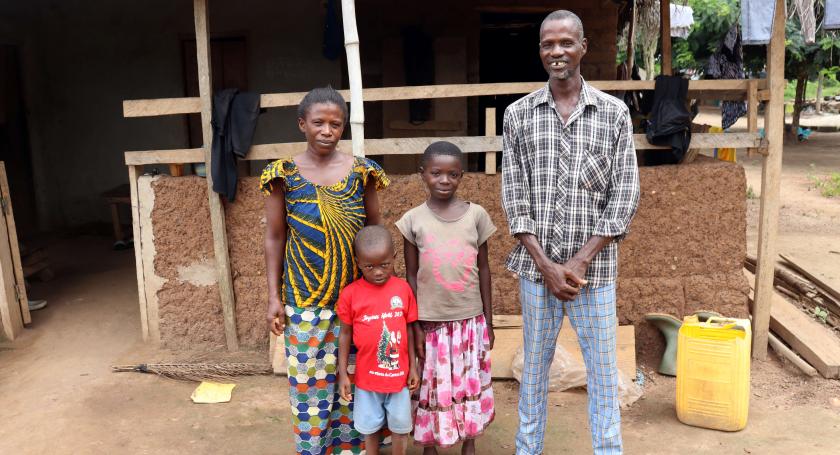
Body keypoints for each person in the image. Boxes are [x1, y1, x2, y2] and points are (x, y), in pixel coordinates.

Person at [500, 10, 640, 455]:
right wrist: (546, 266)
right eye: (547, 44)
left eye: (565, 43)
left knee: (602, 376)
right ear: (540, 51)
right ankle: (528, 449)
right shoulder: (519, 115)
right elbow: (514, 195)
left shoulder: (614, 113)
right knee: (535, 375)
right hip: (536, 271)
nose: (556, 52)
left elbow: (625, 194)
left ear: (583, 48)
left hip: (593, 276)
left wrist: (578, 261)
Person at [261, 86, 390, 455]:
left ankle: (360, 450)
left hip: (359, 299)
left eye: (336, 123)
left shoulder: (362, 172)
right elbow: (274, 238)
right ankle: (315, 450)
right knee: (310, 388)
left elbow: (376, 231)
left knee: (360, 382)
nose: (327, 130)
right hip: (304, 300)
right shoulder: (282, 175)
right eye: (318, 122)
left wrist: (383, 291)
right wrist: (273, 297)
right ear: (302, 123)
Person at [395, 141, 497, 455]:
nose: (444, 180)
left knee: (468, 383)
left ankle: (469, 440)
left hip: (469, 320)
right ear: (422, 174)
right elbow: (411, 275)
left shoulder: (476, 215)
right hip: (430, 322)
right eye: (436, 173)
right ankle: (432, 443)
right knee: (433, 386)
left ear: (461, 176)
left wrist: (489, 322)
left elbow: (484, 269)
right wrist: (413, 322)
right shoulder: (412, 220)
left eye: (452, 174)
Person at [337, 225, 420, 455]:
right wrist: (343, 372)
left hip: (399, 379)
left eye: (384, 265)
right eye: (369, 266)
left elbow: (410, 329)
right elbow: (344, 334)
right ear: (358, 263)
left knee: (400, 428)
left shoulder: (402, 290)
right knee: (369, 428)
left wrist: (413, 367)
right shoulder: (350, 294)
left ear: (394, 258)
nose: (378, 272)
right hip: (367, 381)